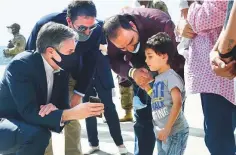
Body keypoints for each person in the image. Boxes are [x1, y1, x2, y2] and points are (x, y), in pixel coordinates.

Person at [26, 1, 126, 154]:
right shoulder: (46, 24)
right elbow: (30, 57)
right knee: (43, 116)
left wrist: (79, 93)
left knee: (72, 116)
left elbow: (90, 63)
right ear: (68, 22)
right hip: (43, 72)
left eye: (90, 27)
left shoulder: (97, 30)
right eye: (82, 28)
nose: (87, 32)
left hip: (71, 74)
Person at [0, 22, 104, 155]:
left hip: (27, 127)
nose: (75, 56)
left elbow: (60, 108)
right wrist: (71, 113)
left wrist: (56, 110)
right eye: (70, 52)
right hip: (5, 122)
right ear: (51, 52)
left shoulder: (61, 71)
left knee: (39, 134)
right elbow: (28, 112)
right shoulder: (21, 65)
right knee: (37, 135)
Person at [103, 7, 185, 155]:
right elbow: (113, 60)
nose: (129, 48)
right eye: (123, 48)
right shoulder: (113, 36)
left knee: (169, 129)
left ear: (133, 26)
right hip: (139, 78)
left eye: (131, 42)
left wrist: (154, 75)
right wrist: (132, 72)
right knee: (142, 124)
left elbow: (175, 58)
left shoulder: (161, 24)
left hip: (169, 79)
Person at [177, 1, 236, 155]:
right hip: (213, 78)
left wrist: (192, 13)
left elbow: (205, 18)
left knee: (218, 139)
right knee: (217, 137)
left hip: (222, 76)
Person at [143, 32, 189, 155]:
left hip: (174, 132)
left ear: (164, 56)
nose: (146, 61)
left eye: (150, 56)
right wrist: (147, 88)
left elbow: (177, 103)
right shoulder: (159, 77)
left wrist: (167, 128)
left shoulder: (171, 77)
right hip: (161, 132)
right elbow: (158, 99)